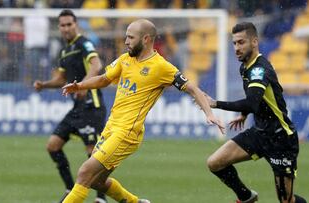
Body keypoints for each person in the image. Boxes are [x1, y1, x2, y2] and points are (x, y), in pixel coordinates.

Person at [61, 19, 225, 203]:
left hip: (127, 132)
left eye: (130, 37)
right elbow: (104, 79)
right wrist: (80, 85)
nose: (125, 41)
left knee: (84, 172)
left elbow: (193, 88)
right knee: (97, 181)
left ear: (146, 39)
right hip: (111, 128)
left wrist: (209, 114)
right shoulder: (125, 60)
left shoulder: (161, 67)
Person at [205, 22, 307, 203]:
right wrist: (244, 115)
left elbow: (252, 102)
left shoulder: (260, 70)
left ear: (254, 42)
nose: (237, 48)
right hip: (260, 133)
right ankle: (246, 197)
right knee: (215, 162)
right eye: (234, 43)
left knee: (286, 201)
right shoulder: (245, 66)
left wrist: (216, 104)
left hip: (280, 139)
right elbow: (257, 99)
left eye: (241, 42)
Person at [33, 9, 107, 203]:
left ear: (76, 25)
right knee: (53, 146)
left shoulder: (84, 43)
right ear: (59, 27)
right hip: (77, 108)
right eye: (62, 25)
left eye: (69, 24)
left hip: (92, 105)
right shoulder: (64, 50)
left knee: (94, 155)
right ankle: (69, 188)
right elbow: (61, 78)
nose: (66, 28)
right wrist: (45, 85)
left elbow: (96, 65)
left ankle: (101, 198)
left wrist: (82, 84)